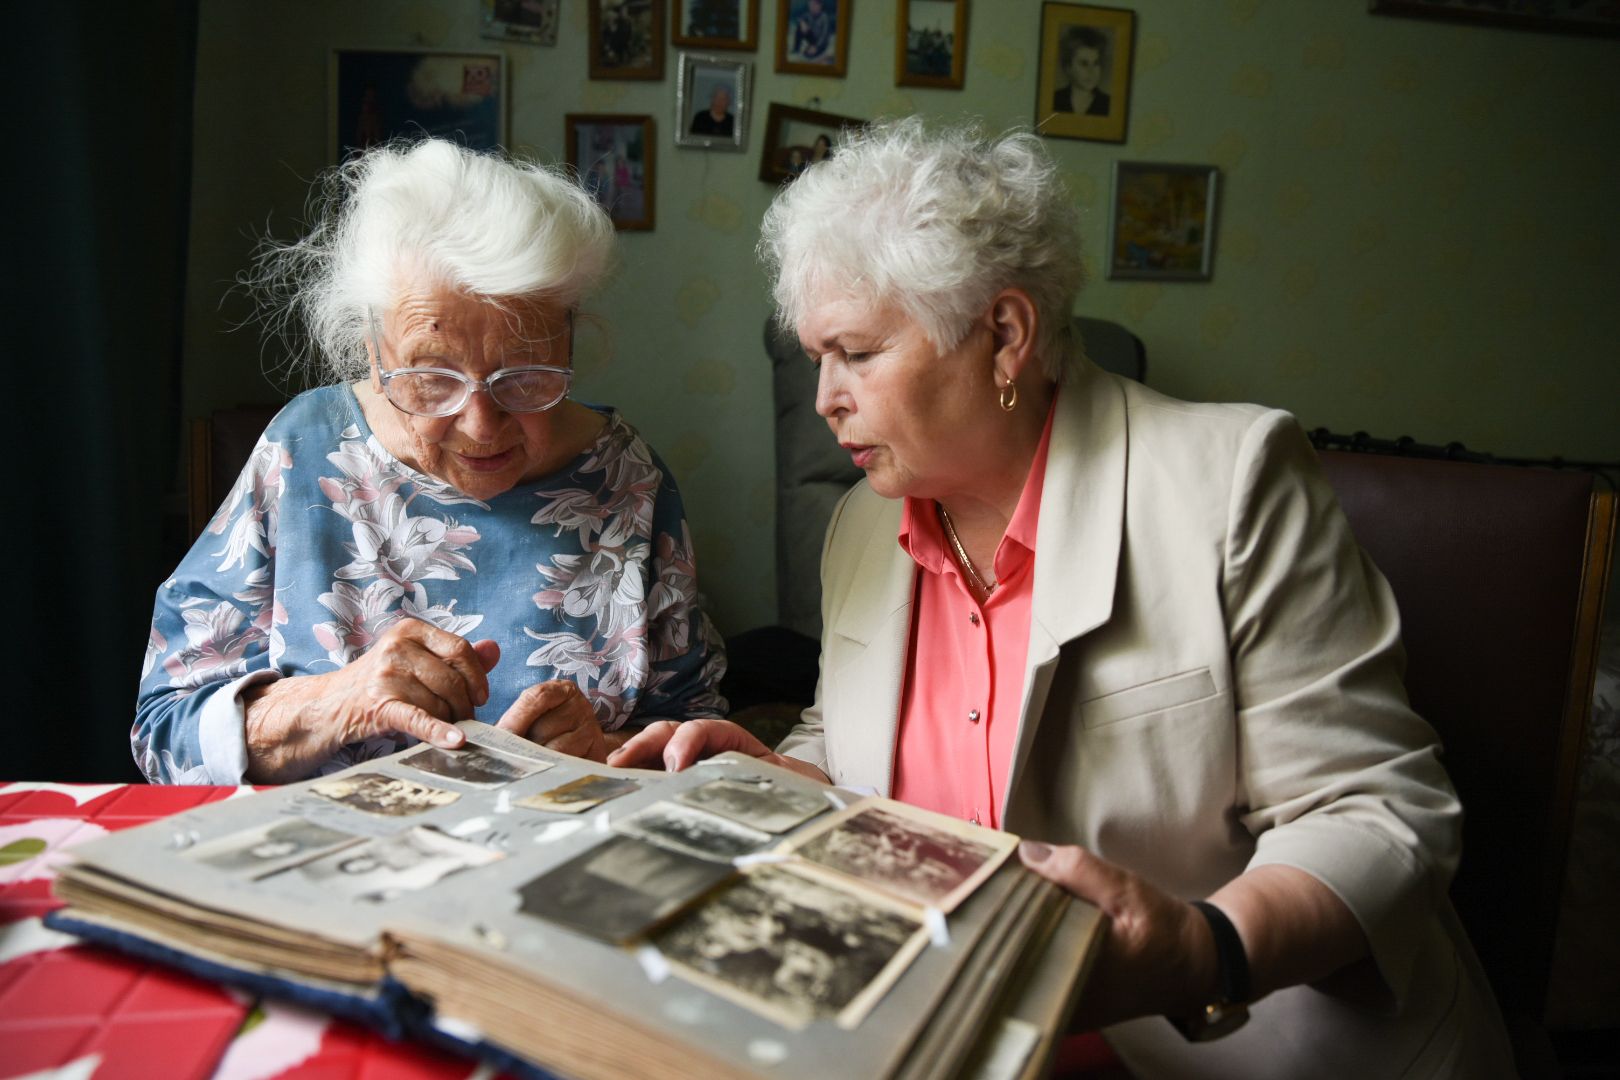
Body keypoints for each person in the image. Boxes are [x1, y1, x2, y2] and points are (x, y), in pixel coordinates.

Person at [610, 119, 1513, 1077]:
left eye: (858, 354)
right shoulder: (865, 528)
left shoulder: (1232, 481)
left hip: (1242, 1040)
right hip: (974, 1028)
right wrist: (785, 776)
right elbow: (851, 740)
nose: (826, 397)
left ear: (1004, 334)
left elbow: (1381, 809)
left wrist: (1207, 950)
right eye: (815, 359)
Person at [136, 138, 727, 785]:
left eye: (523, 375)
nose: (480, 426)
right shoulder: (300, 452)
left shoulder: (630, 481)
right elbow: (164, 732)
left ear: (571, 336)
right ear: (373, 349)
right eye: (430, 377)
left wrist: (605, 750)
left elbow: (698, 740)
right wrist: (337, 702)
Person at [1053, 25, 1111, 116]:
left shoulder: (1108, 105)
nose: (1091, 71)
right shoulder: (1054, 100)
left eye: (1096, 63)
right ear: (1068, 67)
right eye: (1084, 64)